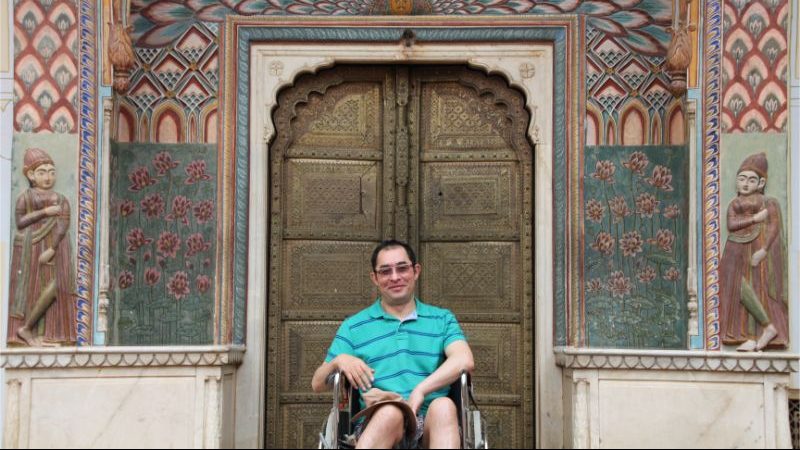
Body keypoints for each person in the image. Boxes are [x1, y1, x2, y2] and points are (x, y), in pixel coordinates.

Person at [311, 240, 474, 448]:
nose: (395, 277)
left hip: (430, 420)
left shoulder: (441, 319)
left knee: (443, 406)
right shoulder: (354, 327)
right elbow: (317, 384)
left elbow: (464, 359)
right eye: (385, 271)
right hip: (378, 420)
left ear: (416, 271)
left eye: (402, 268)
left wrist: (420, 391)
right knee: (390, 411)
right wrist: (339, 361)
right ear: (375, 278)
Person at [7, 148, 77, 346]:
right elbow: (20, 222)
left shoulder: (61, 199)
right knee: (31, 289)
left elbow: (64, 223)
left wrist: (52, 249)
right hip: (30, 247)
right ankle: (26, 329)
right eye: (42, 172)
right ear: (30, 175)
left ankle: (37, 329)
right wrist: (45, 211)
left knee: (59, 285)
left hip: (55, 247)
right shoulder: (26, 197)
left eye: (51, 171)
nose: (48, 177)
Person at [719, 152, 788, 351]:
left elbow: (774, 227)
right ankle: (748, 333)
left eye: (751, 180)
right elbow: (732, 225)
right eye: (742, 179)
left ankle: (766, 328)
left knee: (757, 287)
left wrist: (764, 250)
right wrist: (755, 219)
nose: (746, 184)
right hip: (734, 248)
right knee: (735, 288)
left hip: (756, 246)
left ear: (760, 183)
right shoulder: (734, 203)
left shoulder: (769, 202)